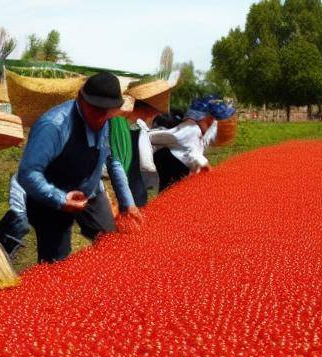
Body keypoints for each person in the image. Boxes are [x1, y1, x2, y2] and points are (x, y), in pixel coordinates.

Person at [17, 72, 142, 263]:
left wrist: (127, 203)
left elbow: (112, 161)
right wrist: (60, 199)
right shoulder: (53, 126)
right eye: (95, 110)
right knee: (55, 263)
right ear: (80, 98)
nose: (100, 117)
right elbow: (28, 173)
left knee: (111, 244)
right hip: (51, 200)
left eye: (106, 111)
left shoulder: (106, 120)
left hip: (90, 193)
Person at [149, 97, 223, 192]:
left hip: (176, 170)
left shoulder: (198, 130)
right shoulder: (191, 129)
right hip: (170, 169)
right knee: (169, 193)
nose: (211, 124)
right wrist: (208, 168)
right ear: (202, 117)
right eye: (210, 120)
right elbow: (192, 153)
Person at [109, 100, 161, 208]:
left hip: (132, 185)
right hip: (121, 187)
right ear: (149, 110)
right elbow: (116, 162)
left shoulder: (138, 128)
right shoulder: (117, 123)